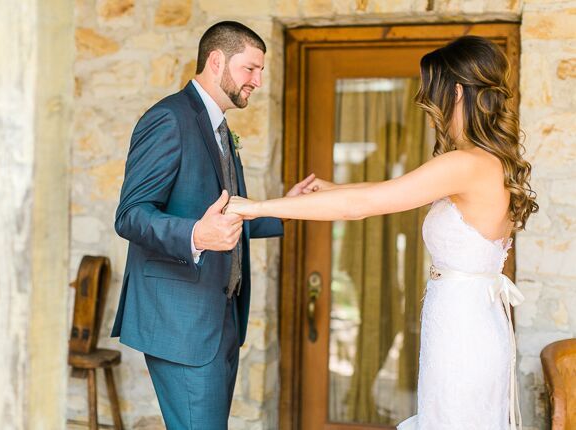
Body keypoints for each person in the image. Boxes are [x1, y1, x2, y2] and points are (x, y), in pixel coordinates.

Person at [226, 35, 537, 430]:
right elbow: (388, 191)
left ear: (457, 92)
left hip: (464, 329)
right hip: (471, 319)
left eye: (433, 91)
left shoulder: (464, 163)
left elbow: (362, 206)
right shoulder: (486, 160)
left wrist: (256, 208)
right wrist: (333, 188)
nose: (428, 104)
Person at [111, 21, 315, 429]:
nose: (258, 81)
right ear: (217, 60)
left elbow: (227, 216)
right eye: (250, 69)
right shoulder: (168, 118)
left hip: (222, 316)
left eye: (261, 71)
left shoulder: (218, 126)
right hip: (183, 322)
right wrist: (195, 235)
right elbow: (130, 214)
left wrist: (284, 208)